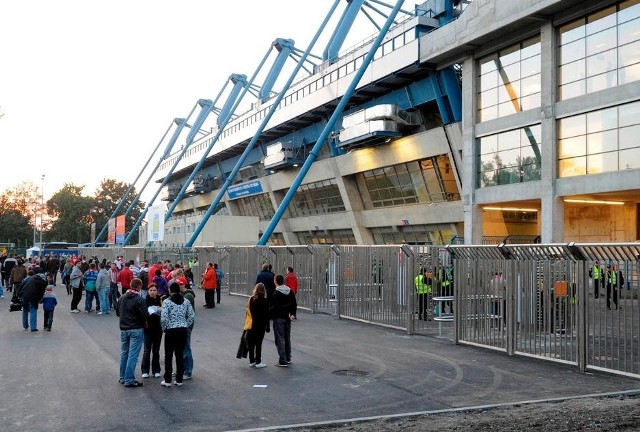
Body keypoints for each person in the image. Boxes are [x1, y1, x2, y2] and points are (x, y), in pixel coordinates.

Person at [160, 282, 195, 387]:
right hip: (183, 330)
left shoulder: (167, 302)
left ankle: (167, 380)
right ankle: (179, 379)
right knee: (179, 354)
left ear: (170, 290)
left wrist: (164, 328)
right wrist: (185, 324)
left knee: (168, 355)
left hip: (171, 330)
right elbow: (191, 316)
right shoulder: (186, 301)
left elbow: (164, 318)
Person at [116, 278, 149, 388]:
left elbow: (117, 312)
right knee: (133, 355)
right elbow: (145, 315)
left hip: (124, 328)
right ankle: (129, 379)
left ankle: (122, 376)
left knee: (124, 353)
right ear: (139, 287)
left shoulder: (122, 298)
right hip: (136, 328)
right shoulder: (139, 299)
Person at [270, 274, 297, 367]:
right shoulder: (289, 291)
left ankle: (282, 359)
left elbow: (273, 307)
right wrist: (293, 314)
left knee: (279, 338)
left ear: (275, 281)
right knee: (287, 337)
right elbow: (294, 303)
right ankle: (288, 357)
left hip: (278, 318)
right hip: (287, 317)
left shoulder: (275, 294)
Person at [246, 283, 270, 368]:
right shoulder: (265, 300)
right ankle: (258, 361)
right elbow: (267, 315)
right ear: (264, 290)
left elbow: (248, 312)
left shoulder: (251, 299)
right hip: (261, 325)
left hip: (252, 324)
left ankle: (251, 361)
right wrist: (268, 326)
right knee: (258, 343)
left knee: (251, 343)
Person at [141, 284, 163, 379]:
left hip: (158, 329)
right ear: (148, 291)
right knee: (147, 350)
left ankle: (156, 370)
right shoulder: (144, 301)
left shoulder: (161, 300)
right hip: (147, 329)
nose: (153, 292)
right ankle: (145, 370)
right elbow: (143, 313)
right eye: (151, 290)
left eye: (154, 290)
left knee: (156, 350)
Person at [178, 276, 195, 379]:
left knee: (185, 348)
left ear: (184, 284)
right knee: (180, 348)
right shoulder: (182, 294)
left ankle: (187, 371)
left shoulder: (188, 295)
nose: (178, 286)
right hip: (181, 324)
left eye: (180, 284)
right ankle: (182, 369)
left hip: (186, 325)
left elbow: (181, 306)